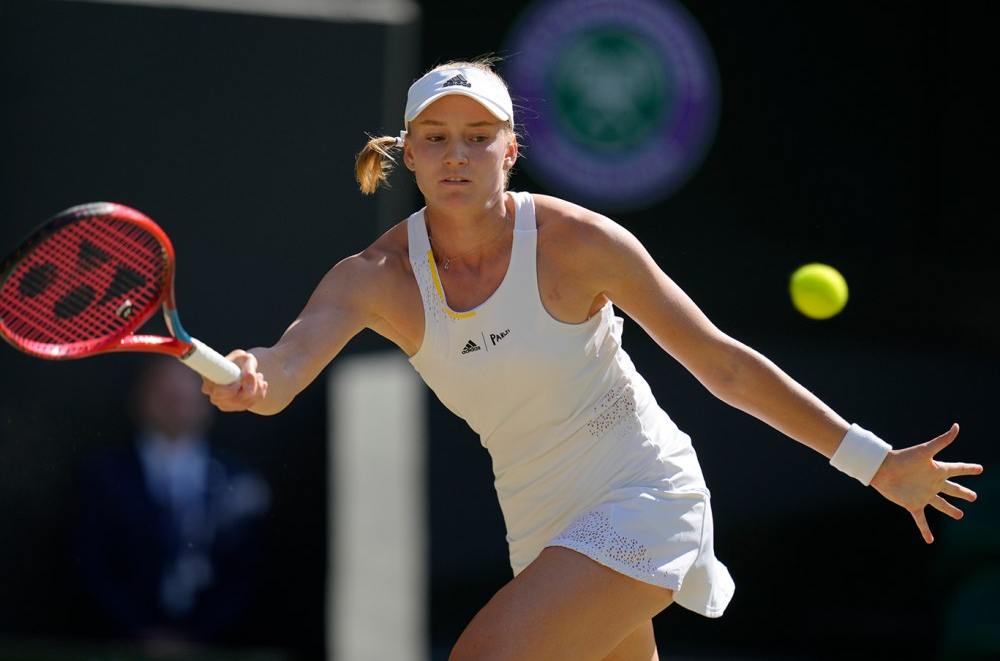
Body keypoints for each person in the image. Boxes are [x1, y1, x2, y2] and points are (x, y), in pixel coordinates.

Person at [202, 58, 983, 660]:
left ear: (512, 148)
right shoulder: (374, 279)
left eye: (478, 137)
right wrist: (252, 378)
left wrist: (873, 462)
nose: (457, 156)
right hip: (536, 519)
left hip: (643, 491)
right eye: (436, 139)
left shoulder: (581, 243)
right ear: (408, 155)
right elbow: (282, 372)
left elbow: (722, 365)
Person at [75, 356, 271, 652]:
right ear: (140, 397)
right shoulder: (102, 478)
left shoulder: (242, 484)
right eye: (165, 391)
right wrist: (142, 634)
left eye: (188, 390)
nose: (177, 397)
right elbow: (90, 567)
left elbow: (248, 577)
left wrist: (198, 639)